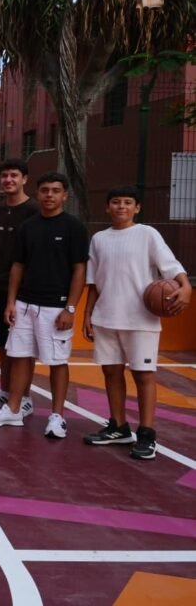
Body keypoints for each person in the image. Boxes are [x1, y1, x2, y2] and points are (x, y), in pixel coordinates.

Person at [82, 186, 191, 460]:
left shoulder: (147, 234)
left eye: (128, 202)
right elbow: (93, 282)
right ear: (107, 207)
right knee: (111, 373)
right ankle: (118, 427)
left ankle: (147, 433)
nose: (121, 206)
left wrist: (186, 286)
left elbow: (171, 265)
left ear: (137, 208)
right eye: (116, 202)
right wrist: (87, 314)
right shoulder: (99, 239)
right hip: (106, 316)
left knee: (143, 375)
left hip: (141, 318)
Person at [0, 172, 87, 438]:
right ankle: (13, 409)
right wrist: (11, 302)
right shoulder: (27, 227)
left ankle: (57, 416)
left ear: (65, 195)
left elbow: (79, 270)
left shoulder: (73, 227)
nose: (49, 195)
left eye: (55, 190)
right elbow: (18, 266)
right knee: (19, 356)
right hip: (25, 304)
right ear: (38, 194)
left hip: (56, 307)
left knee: (57, 362)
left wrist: (71, 308)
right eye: (45, 190)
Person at [0, 159, 39, 415]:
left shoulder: (34, 210)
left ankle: (24, 397)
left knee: (23, 346)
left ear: (25, 179)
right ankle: (4, 390)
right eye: (4, 176)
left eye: (14, 175)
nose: (8, 180)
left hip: (25, 289)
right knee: (3, 343)